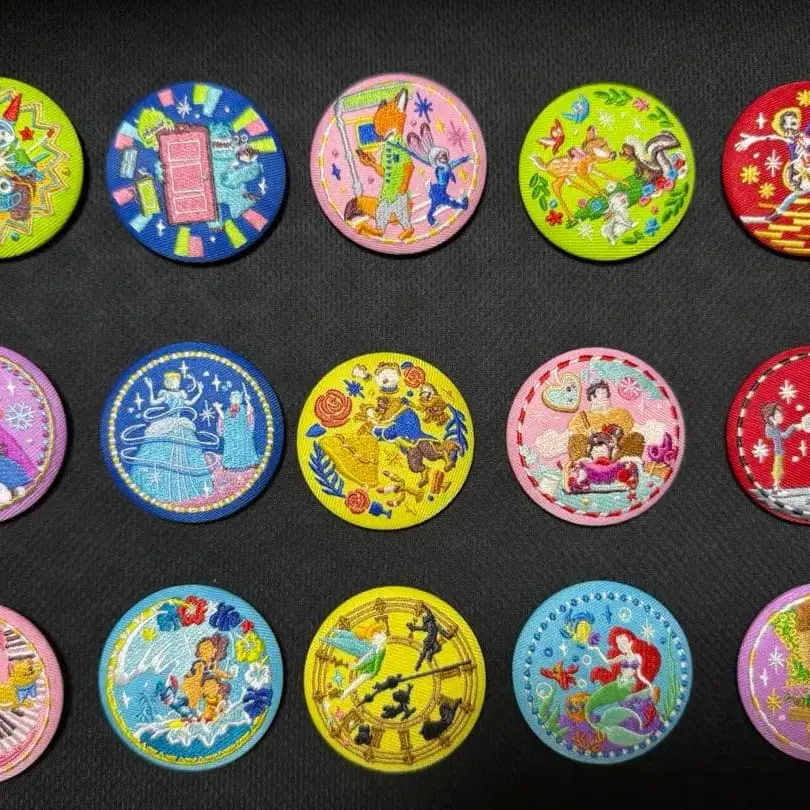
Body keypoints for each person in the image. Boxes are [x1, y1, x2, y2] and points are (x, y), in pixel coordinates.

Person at [122, 370, 214, 502]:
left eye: (176, 381)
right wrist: (150, 388)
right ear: (167, 383)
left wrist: (199, 391)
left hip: (181, 424)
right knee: (164, 449)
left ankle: (188, 489)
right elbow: (153, 402)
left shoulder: (182, 393)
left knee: (188, 452)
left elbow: (190, 402)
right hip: (169, 423)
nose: (175, 383)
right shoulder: (165, 393)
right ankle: (164, 489)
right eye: (172, 381)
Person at [567, 381, 644, 462]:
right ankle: (582, 462)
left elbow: (631, 432)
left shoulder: (621, 413)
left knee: (636, 436)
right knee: (575, 438)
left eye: (605, 394)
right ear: (592, 397)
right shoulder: (580, 418)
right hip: (591, 453)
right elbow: (574, 436)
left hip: (617, 453)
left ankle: (626, 461)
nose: (604, 397)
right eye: (600, 394)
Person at [214, 389, 259, 471]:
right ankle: (229, 464)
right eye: (233, 397)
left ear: (240, 399)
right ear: (230, 399)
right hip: (231, 434)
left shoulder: (243, 408)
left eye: (237, 397)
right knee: (230, 448)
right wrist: (218, 409)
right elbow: (223, 418)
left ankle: (250, 462)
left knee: (246, 446)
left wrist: (248, 402)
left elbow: (249, 413)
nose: (235, 399)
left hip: (243, 432)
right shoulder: (228, 410)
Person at [761, 402, 798, 493]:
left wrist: (793, 427)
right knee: (778, 469)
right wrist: (792, 427)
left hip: (779, 452)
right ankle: (775, 487)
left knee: (779, 469)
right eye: (778, 414)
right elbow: (783, 436)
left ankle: (777, 487)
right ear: (771, 418)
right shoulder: (771, 428)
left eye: (781, 414)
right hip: (777, 452)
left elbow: (783, 436)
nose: (781, 416)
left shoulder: (775, 428)